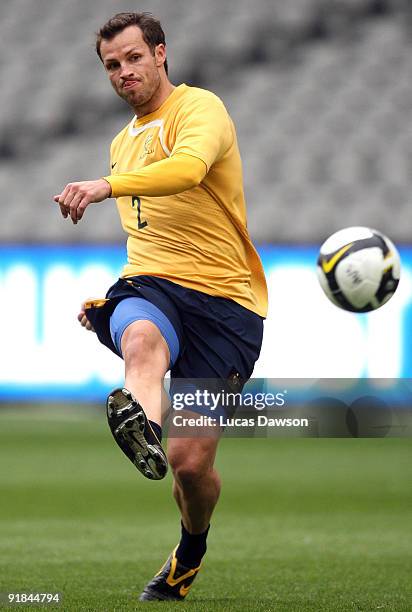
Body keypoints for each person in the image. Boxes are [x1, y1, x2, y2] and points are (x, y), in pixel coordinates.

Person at [54, 12, 268, 602]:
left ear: (160, 54)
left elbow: (188, 170)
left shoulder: (200, 110)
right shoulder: (121, 141)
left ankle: (190, 548)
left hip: (226, 302)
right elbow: (148, 240)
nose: (123, 72)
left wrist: (106, 184)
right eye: (111, 66)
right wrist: (114, 304)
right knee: (141, 334)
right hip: (152, 284)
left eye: (132, 58)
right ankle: (142, 422)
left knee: (191, 467)